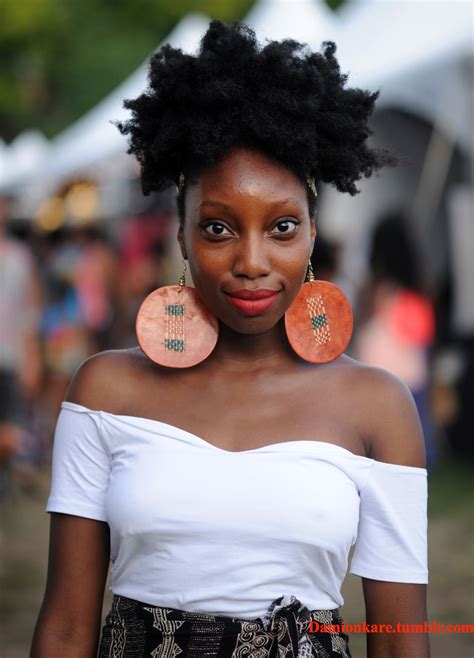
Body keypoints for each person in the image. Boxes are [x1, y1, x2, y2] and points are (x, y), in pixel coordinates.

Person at [31, 21, 429, 658]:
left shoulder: (377, 406)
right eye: (218, 228)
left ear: (312, 233)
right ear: (182, 234)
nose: (251, 260)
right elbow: (65, 629)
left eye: (281, 226)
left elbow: (402, 643)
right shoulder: (106, 389)